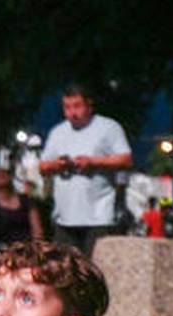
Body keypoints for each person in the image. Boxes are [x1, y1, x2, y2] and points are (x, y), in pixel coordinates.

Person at [38, 85, 133, 256]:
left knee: (93, 271)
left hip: (99, 217)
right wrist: (60, 165)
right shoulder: (58, 132)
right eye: (67, 107)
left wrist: (93, 162)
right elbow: (43, 167)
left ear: (89, 105)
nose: (72, 113)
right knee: (65, 273)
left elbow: (126, 159)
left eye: (77, 106)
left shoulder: (108, 128)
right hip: (65, 217)